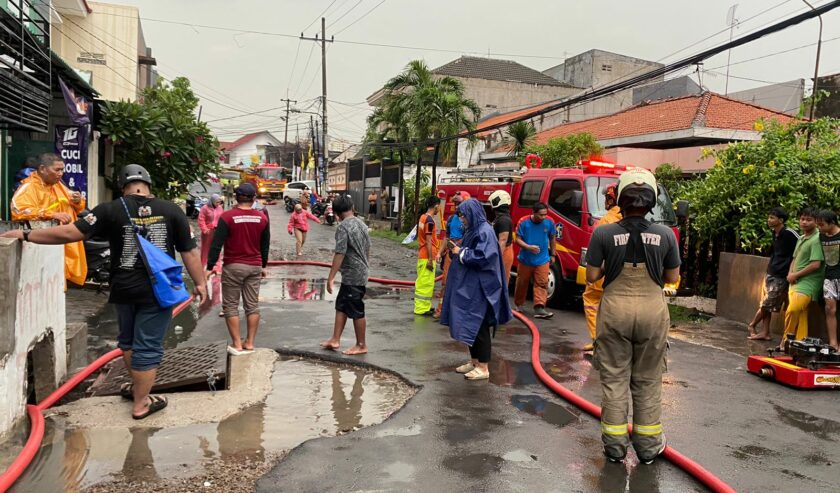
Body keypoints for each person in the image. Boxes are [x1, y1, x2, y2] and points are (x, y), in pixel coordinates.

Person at [2, 164, 207, 420]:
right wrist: (200, 283)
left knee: (129, 342)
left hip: (123, 288)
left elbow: (69, 233)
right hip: (158, 290)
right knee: (149, 347)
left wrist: (26, 234)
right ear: (149, 184)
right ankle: (142, 403)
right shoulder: (171, 210)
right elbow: (189, 251)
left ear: (122, 185)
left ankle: (136, 389)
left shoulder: (110, 210)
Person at [585, 168, 681, 465]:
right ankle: (648, 448)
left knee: (614, 379)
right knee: (648, 380)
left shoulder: (603, 232)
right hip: (652, 311)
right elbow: (671, 277)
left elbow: (591, 277)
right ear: (651, 201)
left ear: (620, 199)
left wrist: (608, 265)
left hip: (615, 310)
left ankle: (614, 448)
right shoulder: (665, 234)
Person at [442, 199, 512, 380]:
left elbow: (484, 256)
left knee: (479, 326)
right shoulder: (474, 229)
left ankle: (483, 367)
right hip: (470, 286)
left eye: (464, 216)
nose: (462, 219)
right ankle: (474, 361)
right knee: (469, 323)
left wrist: (461, 253)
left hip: (482, 288)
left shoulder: (485, 231)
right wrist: (457, 250)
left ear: (472, 214)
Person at [206, 183, 270, 355]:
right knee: (252, 306)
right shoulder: (262, 218)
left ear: (235, 197)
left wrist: (210, 266)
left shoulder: (227, 217)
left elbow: (216, 244)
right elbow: (265, 245)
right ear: (254, 198)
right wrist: (263, 265)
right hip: (255, 266)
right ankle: (249, 342)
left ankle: (237, 343)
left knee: (231, 306)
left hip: (233, 266)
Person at [11, 153, 87, 286]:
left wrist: (77, 200)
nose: (61, 173)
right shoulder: (29, 187)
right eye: (57, 170)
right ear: (42, 169)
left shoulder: (58, 186)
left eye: (62, 170)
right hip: (40, 246)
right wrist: (49, 214)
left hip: (60, 244)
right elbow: (19, 210)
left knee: (56, 284)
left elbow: (78, 207)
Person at [320, 195, 371, 355]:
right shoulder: (362, 224)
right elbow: (368, 248)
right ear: (352, 207)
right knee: (341, 305)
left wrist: (331, 277)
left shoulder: (343, 227)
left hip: (354, 274)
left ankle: (361, 345)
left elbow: (340, 252)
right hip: (359, 271)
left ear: (336, 213)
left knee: (356, 308)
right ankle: (335, 339)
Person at [746, 207, 799, 341]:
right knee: (766, 304)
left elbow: (803, 243)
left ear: (781, 220)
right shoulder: (774, 233)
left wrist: (792, 270)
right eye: (769, 217)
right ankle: (765, 332)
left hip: (781, 275)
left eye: (772, 218)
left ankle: (752, 325)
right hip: (771, 272)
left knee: (766, 304)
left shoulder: (789, 233)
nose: (769, 220)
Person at [582, 184, 622, 350]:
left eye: (607, 197)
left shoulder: (605, 221)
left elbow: (596, 254)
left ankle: (597, 340)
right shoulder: (633, 219)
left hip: (604, 272)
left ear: (612, 199)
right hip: (624, 274)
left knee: (591, 300)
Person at [781, 208, 825, 348]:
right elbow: (794, 258)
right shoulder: (801, 238)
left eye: (808, 220)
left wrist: (796, 275)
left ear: (816, 222)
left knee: (792, 310)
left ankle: (786, 340)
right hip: (794, 281)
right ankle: (799, 345)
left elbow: (816, 264)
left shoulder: (817, 239)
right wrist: (790, 274)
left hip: (808, 283)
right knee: (801, 315)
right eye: (802, 219)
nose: (804, 222)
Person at [514, 202, 556, 319]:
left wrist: (553, 254)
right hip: (525, 260)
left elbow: (552, 238)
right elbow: (517, 239)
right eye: (541, 215)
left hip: (542, 259)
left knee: (542, 282)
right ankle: (519, 304)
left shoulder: (549, 222)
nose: (543, 217)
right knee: (522, 282)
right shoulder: (523, 222)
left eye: (545, 215)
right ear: (533, 213)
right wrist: (528, 247)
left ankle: (539, 307)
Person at [434, 191, 469, 318]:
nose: (456, 206)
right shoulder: (451, 219)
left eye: (458, 203)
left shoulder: (469, 220)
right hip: (450, 254)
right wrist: (439, 252)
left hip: (463, 255)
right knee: (445, 283)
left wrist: (457, 244)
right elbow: (446, 237)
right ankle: (441, 310)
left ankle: (458, 312)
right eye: (455, 203)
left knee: (462, 284)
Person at [817, 209, 840, 350]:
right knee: (829, 309)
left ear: (832, 223)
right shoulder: (822, 236)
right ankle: (833, 343)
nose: (820, 228)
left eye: (822, 224)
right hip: (829, 276)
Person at [414, 195, 441, 315]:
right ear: (436, 206)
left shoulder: (423, 217)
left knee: (423, 282)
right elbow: (428, 240)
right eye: (439, 206)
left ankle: (424, 306)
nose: (439, 209)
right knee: (426, 283)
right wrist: (430, 259)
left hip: (422, 254)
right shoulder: (429, 221)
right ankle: (421, 309)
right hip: (427, 256)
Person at [489, 191, 514, 286]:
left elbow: (502, 240)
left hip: (503, 253)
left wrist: (496, 258)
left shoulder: (503, 219)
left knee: (500, 281)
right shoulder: (501, 218)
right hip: (502, 251)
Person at [198, 194, 224, 275]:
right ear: (212, 201)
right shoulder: (205, 208)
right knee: (206, 249)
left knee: (216, 248)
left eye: (219, 202)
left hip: (218, 230)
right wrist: (204, 229)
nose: (218, 204)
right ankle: (203, 266)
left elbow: (222, 218)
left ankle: (217, 266)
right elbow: (201, 219)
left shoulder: (220, 208)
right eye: (217, 202)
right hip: (208, 231)